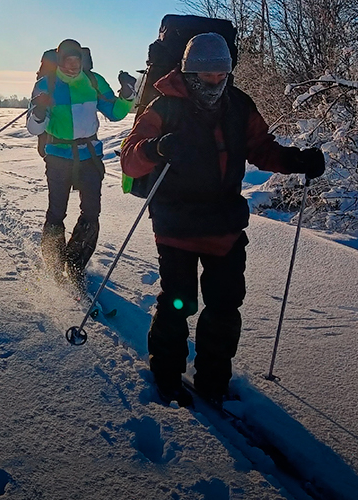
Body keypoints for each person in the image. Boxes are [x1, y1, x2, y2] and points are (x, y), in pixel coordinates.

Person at [120, 33, 325, 405]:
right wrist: (158, 146)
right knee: (179, 301)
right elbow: (130, 157)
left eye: (222, 74)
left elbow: (261, 148)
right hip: (176, 225)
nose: (215, 82)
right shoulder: (163, 107)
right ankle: (166, 375)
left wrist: (296, 161)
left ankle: (214, 380)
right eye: (207, 75)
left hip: (224, 225)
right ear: (189, 72)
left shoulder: (238, 105)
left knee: (225, 304)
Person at [27, 39, 137, 292]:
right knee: (57, 212)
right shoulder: (46, 84)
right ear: (60, 60)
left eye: (76, 61)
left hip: (89, 156)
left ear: (82, 60)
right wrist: (40, 111)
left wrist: (128, 94)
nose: (72, 66)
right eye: (67, 61)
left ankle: (76, 265)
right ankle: (54, 264)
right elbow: (34, 128)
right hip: (58, 156)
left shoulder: (94, 81)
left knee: (91, 212)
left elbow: (115, 113)